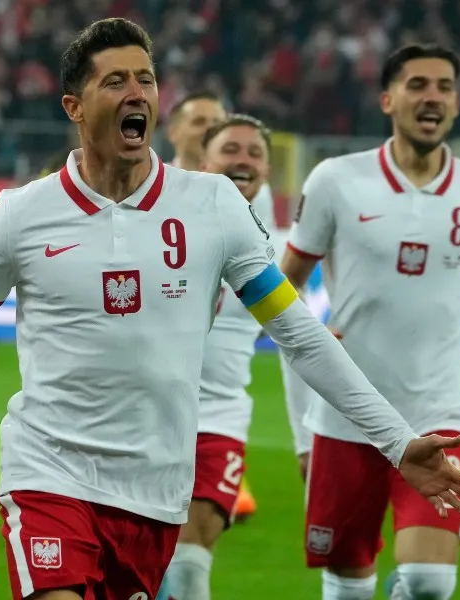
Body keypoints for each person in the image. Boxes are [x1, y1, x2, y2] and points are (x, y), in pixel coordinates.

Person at [0, 22, 460, 600]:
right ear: (76, 107)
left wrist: (397, 440)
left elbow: (297, 332)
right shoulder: (23, 214)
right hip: (47, 473)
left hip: (154, 492)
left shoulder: (213, 208)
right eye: (116, 79)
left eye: (146, 78)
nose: (137, 90)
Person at [280, 43, 460, 600]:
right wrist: (305, 427)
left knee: (428, 583)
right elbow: (282, 289)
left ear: (458, 104)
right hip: (348, 419)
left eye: (444, 86)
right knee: (348, 585)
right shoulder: (335, 180)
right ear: (388, 100)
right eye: (418, 84)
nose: (433, 96)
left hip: (438, 415)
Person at [156, 114, 273, 600]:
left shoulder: (265, 238)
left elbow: (284, 311)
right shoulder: (158, 220)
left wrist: (306, 330)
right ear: (203, 162)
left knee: (186, 569)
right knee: (139, 571)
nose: (243, 160)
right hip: (146, 413)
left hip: (219, 417)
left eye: (255, 153)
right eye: (231, 150)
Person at [164, 91, 258, 522]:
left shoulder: (242, 196)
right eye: (200, 121)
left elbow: (271, 283)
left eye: (217, 120)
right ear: (174, 131)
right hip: (147, 398)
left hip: (219, 406)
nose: (210, 128)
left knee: (187, 561)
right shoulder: (144, 191)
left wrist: (298, 325)